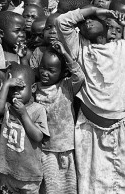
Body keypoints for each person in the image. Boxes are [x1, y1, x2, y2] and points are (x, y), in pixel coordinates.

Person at [56, 6, 125, 194]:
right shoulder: (80, 47)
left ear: (108, 25)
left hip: (117, 128)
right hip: (88, 127)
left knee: (119, 183)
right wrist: (93, 9)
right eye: (83, 22)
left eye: (93, 19)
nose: (87, 22)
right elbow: (62, 22)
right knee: (90, 181)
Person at [35, 42, 83, 194]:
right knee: (50, 187)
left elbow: (79, 75)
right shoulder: (35, 88)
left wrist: (66, 53)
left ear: (62, 73)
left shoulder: (66, 86)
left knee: (69, 187)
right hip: (46, 150)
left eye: (51, 70)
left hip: (67, 149)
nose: (44, 72)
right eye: (42, 67)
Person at [0, 63, 49, 193]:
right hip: (7, 171)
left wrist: (24, 114)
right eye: (13, 89)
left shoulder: (37, 110)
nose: (16, 93)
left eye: (21, 88)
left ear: (33, 88)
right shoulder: (8, 106)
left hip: (28, 176)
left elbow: (38, 136)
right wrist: (6, 84)